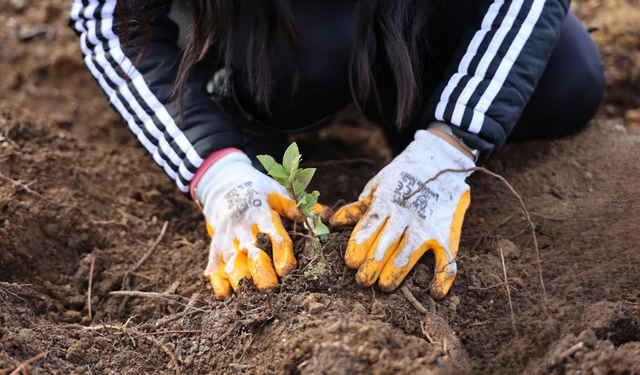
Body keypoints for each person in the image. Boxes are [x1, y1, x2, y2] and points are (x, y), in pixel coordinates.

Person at [69, 0, 604, 300]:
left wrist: (449, 144)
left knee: (564, 82)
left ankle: (407, 97)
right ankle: (239, 96)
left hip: (402, 12)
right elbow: (104, 14)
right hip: (265, 28)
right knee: (305, 60)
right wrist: (217, 171)